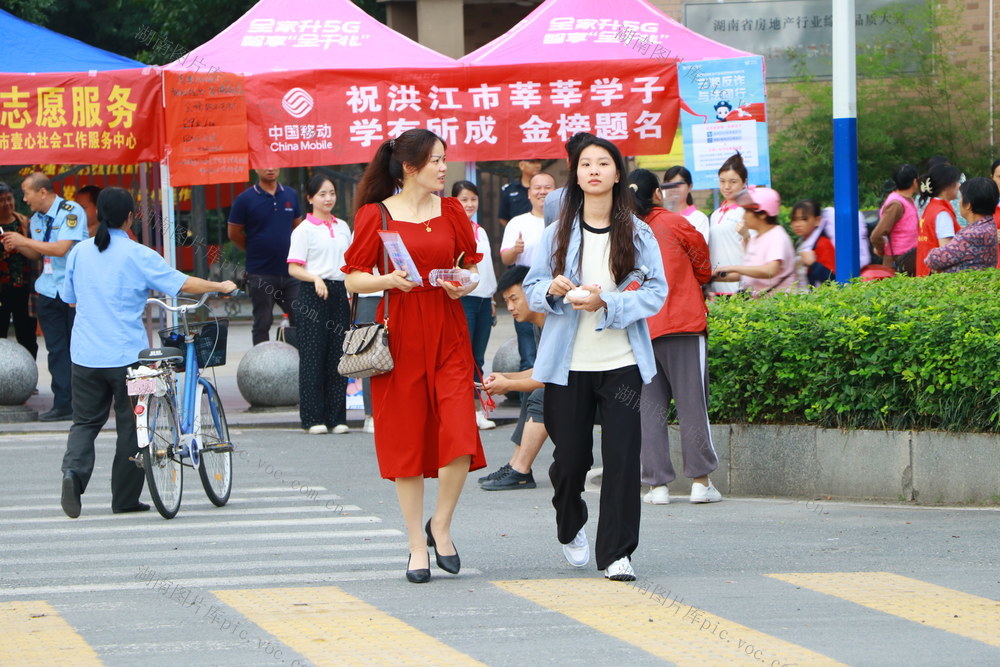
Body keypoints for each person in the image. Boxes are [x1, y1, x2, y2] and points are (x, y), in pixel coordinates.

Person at [342, 129, 486, 584]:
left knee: (460, 430)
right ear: (409, 167)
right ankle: (415, 545)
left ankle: (440, 524)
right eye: (436, 160)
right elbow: (353, 278)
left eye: (445, 159)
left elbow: (472, 269)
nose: (444, 168)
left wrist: (463, 283)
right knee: (406, 438)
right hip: (400, 331)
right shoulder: (376, 214)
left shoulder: (452, 210)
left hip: (448, 329)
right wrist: (387, 281)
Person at [523, 135, 667, 582]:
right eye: (586, 164)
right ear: (576, 174)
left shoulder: (638, 233)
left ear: (617, 174)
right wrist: (552, 289)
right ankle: (570, 522)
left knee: (622, 459)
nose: (594, 171)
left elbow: (657, 292)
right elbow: (531, 289)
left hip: (622, 363)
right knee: (570, 462)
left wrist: (609, 302)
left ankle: (618, 553)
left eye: (603, 163)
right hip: (568, 368)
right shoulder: (557, 232)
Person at [59, 187, 236, 518]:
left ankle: (73, 474)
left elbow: (69, 298)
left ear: (97, 214)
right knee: (132, 426)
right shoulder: (139, 254)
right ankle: (125, 499)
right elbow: (181, 284)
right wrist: (219, 285)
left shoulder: (79, 252)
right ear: (129, 218)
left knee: (84, 423)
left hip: (84, 355)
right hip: (129, 359)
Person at [627, 170, 719, 506]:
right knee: (692, 404)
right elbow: (704, 268)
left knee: (649, 409)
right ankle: (700, 482)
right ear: (657, 194)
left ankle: (657, 486)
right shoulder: (676, 223)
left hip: (642, 328)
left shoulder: (624, 232)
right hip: (683, 323)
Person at [1, 173, 87, 421]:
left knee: (78, 348)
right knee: (56, 350)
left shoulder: (71, 211)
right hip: (48, 291)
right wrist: (17, 244)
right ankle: (63, 403)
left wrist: (24, 240)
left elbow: (61, 248)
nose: (24, 199)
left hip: (73, 291)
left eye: (27, 193)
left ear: (42, 192)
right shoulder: (37, 219)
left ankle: (83, 403)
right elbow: (37, 254)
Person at [287, 174, 352, 435]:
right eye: (322, 194)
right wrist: (315, 278)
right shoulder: (303, 230)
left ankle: (337, 418)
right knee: (313, 357)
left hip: (339, 292)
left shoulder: (343, 227)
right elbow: (293, 268)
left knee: (339, 355)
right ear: (310, 198)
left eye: (332, 193)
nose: (328, 198)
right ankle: (313, 418)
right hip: (313, 293)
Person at [480, 266, 547, 491]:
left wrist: (508, 384)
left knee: (541, 395)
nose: (509, 307)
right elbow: (541, 371)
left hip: (591, 390)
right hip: (568, 386)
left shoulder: (555, 322)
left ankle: (521, 470)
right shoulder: (538, 325)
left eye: (514, 299)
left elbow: (550, 378)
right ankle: (515, 464)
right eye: (506, 301)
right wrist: (504, 377)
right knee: (531, 391)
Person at [228, 168, 302, 345]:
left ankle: (302, 359)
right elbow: (234, 233)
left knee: (300, 318)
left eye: (274, 164)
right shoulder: (245, 199)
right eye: (265, 164)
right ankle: (260, 361)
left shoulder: (290, 195)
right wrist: (254, 249)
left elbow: (298, 228)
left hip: (291, 272)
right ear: (256, 168)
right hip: (260, 273)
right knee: (263, 322)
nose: (270, 168)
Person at [451, 180, 498, 430]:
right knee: (464, 358)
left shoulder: (480, 230)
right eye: (464, 199)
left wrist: (491, 299)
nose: (469, 204)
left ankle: (478, 410)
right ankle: (466, 412)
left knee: (477, 358)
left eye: (473, 199)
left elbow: (487, 269)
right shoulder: (452, 229)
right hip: (465, 300)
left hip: (483, 300)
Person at [501, 172, 555, 382]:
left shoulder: (565, 221)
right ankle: (530, 403)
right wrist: (515, 250)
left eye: (547, 187)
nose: (542, 192)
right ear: (529, 193)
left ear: (555, 192)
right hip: (526, 297)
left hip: (556, 296)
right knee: (529, 358)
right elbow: (505, 259)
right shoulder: (517, 222)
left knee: (554, 356)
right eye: (537, 188)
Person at [713, 187, 797, 296]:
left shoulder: (777, 236)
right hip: (759, 303)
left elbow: (770, 271)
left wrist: (732, 268)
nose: (743, 216)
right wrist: (714, 276)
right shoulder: (756, 238)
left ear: (763, 214)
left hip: (778, 304)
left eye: (747, 211)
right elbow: (748, 274)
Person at [925, 177, 999, 272]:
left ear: (968, 205)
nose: (959, 202)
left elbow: (934, 259)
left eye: (962, 198)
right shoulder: (989, 225)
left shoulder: (973, 234)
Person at [0, 182, 37, 359]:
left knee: (27, 336)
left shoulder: (24, 223)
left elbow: (36, 250)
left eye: (9, 199)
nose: (7, 204)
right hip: (1, 290)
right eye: (1, 200)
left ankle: (30, 373)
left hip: (24, 288)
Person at [708, 153, 749, 295]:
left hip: (740, 290)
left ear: (744, 182)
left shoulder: (748, 212)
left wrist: (747, 236)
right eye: (722, 181)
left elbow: (756, 252)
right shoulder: (715, 214)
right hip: (716, 289)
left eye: (733, 182)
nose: (727, 187)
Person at [870, 164, 920, 274]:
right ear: (914, 181)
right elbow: (876, 235)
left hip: (909, 259)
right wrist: (881, 250)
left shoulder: (908, 199)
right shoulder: (896, 205)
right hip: (897, 261)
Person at [915, 163, 961, 277]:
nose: (959, 186)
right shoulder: (942, 213)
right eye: (957, 182)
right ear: (947, 186)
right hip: (936, 277)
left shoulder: (932, 207)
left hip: (924, 272)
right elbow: (946, 252)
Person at [543, 133, 596, 227]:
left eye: (603, 163)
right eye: (585, 164)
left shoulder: (554, 200)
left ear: (568, 162)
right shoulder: (554, 200)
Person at [790, 199, 836, 287]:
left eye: (804, 219)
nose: (797, 224)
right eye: (794, 219)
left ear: (817, 220)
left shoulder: (823, 244)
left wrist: (813, 264)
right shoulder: (801, 242)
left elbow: (832, 280)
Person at [661, 165, 710, 243]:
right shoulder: (660, 217)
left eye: (679, 184)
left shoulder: (699, 218)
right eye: (669, 184)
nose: (673, 189)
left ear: (689, 187)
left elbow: (699, 247)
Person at [498, 159, 542, 227]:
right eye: (532, 162)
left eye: (539, 162)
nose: (537, 165)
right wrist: (514, 230)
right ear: (521, 165)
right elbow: (503, 217)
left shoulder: (545, 190)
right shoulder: (509, 189)